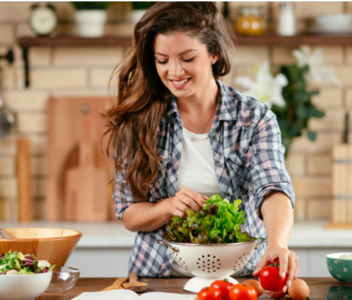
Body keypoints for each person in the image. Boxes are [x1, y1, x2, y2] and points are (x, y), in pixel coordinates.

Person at [103, 2, 298, 290]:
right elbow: (129, 213)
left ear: (214, 53)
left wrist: (278, 242)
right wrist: (169, 206)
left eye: (187, 57)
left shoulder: (253, 118)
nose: (174, 71)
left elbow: (272, 187)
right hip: (158, 280)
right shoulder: (138, 121)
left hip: (241, 278)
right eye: (162, 60)